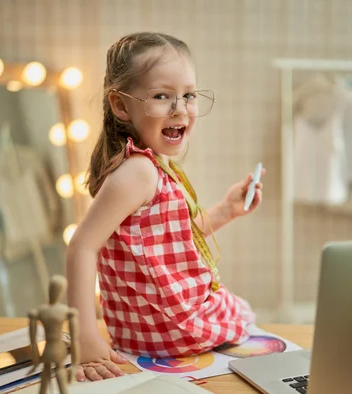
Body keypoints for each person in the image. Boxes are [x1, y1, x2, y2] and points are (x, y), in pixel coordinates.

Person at [66, 32, 264, 382]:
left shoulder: (147, 167)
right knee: (244, 313)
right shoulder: (139, 171)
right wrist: (85, 339)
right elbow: (81, 246)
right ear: (121, 105)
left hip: (147, 331)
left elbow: (170, 242)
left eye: (189, 95)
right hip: (175, 329)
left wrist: (225, 210)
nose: (180, 109)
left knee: (239, 310)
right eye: (162, 96)